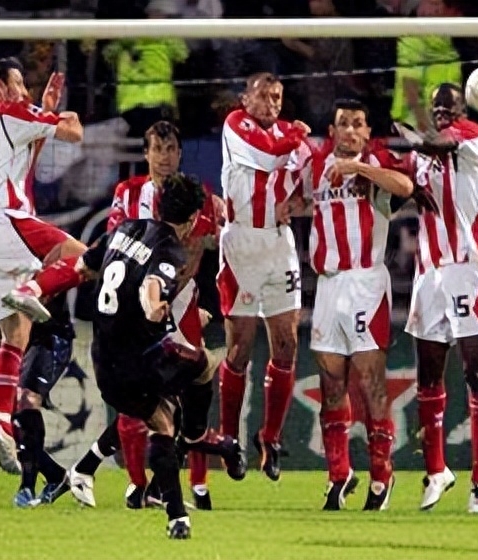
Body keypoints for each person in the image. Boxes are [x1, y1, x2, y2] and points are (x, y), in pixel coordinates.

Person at [81, 173, 245, 539]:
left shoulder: (125, 229)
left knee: (161, 420)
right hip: (141, 361)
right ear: (192, 219)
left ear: (157, 206)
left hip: (102, 362)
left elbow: (86, 264)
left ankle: (177, 518)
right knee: (203, 365)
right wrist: (154, 306)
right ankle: (197, 432)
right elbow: (153, 285)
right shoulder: (171, 249)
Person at [0, 56, 85, 474]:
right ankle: (33, 288)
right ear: (0, 87)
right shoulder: (9, 111)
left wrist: (42, 113)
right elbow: (74, 133)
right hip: (5, 222)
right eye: (18, 83)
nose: (24, 91)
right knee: (84, 258)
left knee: (15, 336)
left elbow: (21, 162)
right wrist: (61, 114)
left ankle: (0, 424)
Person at [390, 83, 478, 513]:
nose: (442, 114)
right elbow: (403, 180)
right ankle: (436, 471)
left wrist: (412, 117)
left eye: (448, 108)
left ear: (462, 111)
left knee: (475, 369)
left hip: (468, 267)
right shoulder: (420, 157)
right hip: (429, 273)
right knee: (429, 374)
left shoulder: (470, 137)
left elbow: (438, 142)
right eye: (436, 109)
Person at [306, 100, 414, 511]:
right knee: (331, 383)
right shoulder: (317, 165)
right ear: (332, 131)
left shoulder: (376, 160)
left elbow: (405, 187)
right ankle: (338, 475)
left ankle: (382, 475)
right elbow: (301, 199)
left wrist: (360, 169)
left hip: (366, 281)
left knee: (370, 382)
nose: (350, 131)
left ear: (368, 132)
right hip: (328, 284)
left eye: (358, 124)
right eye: (343, 124)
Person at [217, 72, 313, 480]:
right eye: (263, 96)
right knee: (239, 347)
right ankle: (228, 437)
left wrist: (300, 201)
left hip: (278, 243)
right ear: (246, 99)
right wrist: (297, 135)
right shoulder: (237, 125)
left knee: (287, 344)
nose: (271, 103)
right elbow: (268, 154)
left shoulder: (293, 140)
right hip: (241, 244)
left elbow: (310, 187)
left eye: (277, 97)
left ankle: (269, 438)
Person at [0, 293, 74, 507]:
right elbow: (8, 305)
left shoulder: (45, 272)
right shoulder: (3, 275)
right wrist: (0, 338)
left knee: (26, 400)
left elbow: (33, 297)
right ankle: (55, 475)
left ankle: (27, 487)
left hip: (49, 339)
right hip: (15, 345)